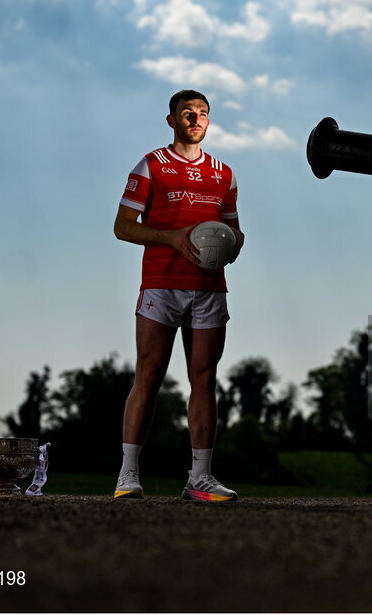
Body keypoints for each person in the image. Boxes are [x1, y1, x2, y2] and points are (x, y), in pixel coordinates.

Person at [113, 90, 244, 502]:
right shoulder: (152, 165)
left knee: (204, 380)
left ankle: (199, 479)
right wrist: (168, 238)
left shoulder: (224, 174)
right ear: (171, 120)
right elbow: (123, 226)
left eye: (203, 113)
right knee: (148, 376)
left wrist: (234, 243)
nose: (196, 118)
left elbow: (234, 229)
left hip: (208, 289)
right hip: (160, 285)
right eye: (188, 113)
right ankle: (128, 475)